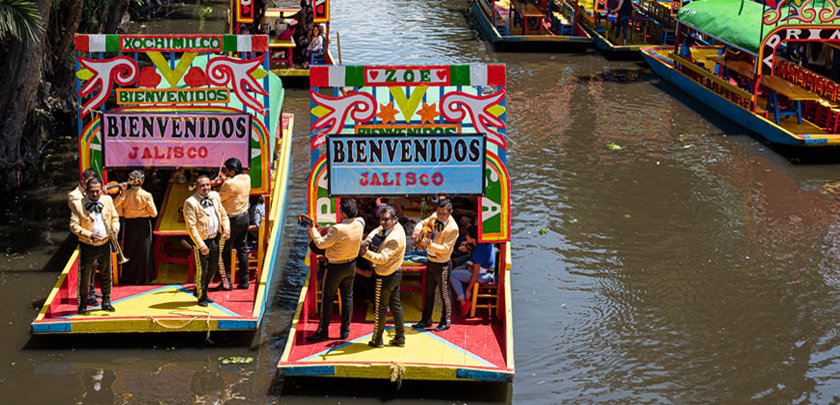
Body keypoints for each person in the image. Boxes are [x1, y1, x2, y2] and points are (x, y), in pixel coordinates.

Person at [306, 198, 364, 342]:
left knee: (327, 299)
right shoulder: (360, 223)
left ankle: (323, 331)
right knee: (347, 298)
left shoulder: (338, 229)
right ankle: (345, 331)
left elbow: (320, 244)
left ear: (344, 214)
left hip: (335, 267)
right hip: (351, 265)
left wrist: (313, 228)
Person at [70, 178, 120, 314]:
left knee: (106, 274)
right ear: (86, 191)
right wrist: (89, 234)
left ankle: (106, 301)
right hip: (88, 245)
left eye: (97, 191)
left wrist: (115, 228)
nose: (95, 194)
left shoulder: (108, 200)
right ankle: (82, 305)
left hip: (105, 243)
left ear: (101, 189)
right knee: (84, 277)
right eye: (92, 191)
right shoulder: (78, 204)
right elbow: (73, 225)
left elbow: (115, 217)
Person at [359, 205, 406, 347]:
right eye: (381, 219)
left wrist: (364, 253)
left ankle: (377, 339)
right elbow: (378, 229)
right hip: (395, 272)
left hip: (385, 276)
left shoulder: (394, 238)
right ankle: (400, 337)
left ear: (394, 219)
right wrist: (368, 239)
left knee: (380, 308)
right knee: (396, 306)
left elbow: (381, 258)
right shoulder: (396, 227)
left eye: (386, 220)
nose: (382, 223)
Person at [412, 198, 459, 332]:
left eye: (443, 214)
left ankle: (446, 320)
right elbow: (423, 222)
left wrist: (428, 244)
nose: (440, 216)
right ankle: (426, 319)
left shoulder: (452, 229)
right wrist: (417, 231)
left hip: (442, 264)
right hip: (431, 261)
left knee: (444, 293)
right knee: (428, 291)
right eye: (438, 212)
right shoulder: (435, 216)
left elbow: (445, 249)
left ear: (450, 212)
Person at [183, 175, 230, 307]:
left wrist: (226, 228)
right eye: (202, 186)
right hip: (202, 241)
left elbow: (223, 214)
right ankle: (201, 296)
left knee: (213, 267)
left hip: (215, 237)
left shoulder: (215, 196)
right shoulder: (190, 202)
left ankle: (202, 290)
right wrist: (201, 245)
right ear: (196, 186)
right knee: (202, 269)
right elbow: (191, 227)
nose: (206, 188)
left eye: (208, 185)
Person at [115, 170, 158, 284]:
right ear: (142, 181)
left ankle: (128, 277)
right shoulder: (147, 195)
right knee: (144, 250)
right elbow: (154, 213)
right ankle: (145, 277)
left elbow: (118, 211)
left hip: (130, 224)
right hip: (143, 224)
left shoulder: (125, 194)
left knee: (129, 249)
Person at [215, 158, 251, 290]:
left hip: (232, 221)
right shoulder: (247, 178)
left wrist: (221, 184)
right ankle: (244, 281)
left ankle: (226, 283)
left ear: (232, 171)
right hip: (244, 217)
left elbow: (218, 198)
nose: (224, 172)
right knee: (242, 249)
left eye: (226, 170)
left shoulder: (229, 184)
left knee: (223, 251)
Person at [68, 168, 102, 306]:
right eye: (89, 183)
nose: (92, 187)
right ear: (82, 181)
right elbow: (83, 208)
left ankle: (92, 290)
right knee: (86, 267)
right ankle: (88, 296)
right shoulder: (73, 195)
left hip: (96, 235)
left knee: (94, 266)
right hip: (83, 236)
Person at [450, 226, 496, 317]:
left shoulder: (478, 252)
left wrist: (469, 290)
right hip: (487, 270)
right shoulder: (484, 242)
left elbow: (475, 275)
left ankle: (463, 302)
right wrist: (467, 249)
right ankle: (461, 296)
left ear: (473, 238)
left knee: (453, 275)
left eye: (467, 235)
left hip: (485, 276)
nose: (466, 237)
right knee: (456, 270)